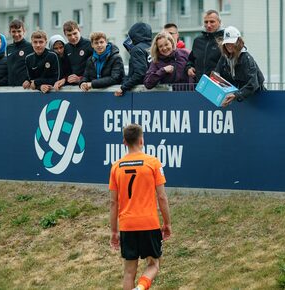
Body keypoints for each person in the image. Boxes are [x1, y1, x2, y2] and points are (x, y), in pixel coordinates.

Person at [109, 123, 171, 290]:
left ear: (124, 142)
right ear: (142, 140)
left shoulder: (116, 167)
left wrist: (114, 231)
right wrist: (167, 224)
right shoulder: (153, 163)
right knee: (154, 264)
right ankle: (141, 288)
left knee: (129, 272)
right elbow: (162, 197)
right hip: (149, 223)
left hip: (127, 225)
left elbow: (113, 202)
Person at [214, 26, 265, 107]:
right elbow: (216, 74)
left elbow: (253, 83)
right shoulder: (224, 57)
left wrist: (236, 95)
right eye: (227, 43)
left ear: (239, 42)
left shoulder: (246, 58)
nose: (229, 45)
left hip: (257, 97)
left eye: (232, 42)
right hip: (239, 97)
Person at [115, 22, 152, 97]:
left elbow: (140, 73)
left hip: (140, 93)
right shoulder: (153, 47)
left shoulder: (137, 49)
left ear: (134, 34)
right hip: (154, 89)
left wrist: (123, 87)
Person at [186, 10, 224, 82]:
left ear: (219, 22)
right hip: (199, 85)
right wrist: (189, 67)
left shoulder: (225, 40)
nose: (208, 25)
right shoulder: (197, 40)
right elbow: (191, 60)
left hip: (219, 86)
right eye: (206, 22)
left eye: (212, 21)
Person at [63, 20, 93, 85]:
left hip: (87, 85)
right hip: (72, 87)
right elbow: (66, 69)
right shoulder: (66, 47)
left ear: (79, 30)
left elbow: (95, 68)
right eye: (69, 35)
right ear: (65, 35)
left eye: (75, 33)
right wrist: (65, 79)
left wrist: (81, 79)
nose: (73, 37)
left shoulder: (90, 44)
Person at [6, 19, 34, 86]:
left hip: (25, 88)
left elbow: (34, 67)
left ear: (24, 31)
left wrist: (28, 80)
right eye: (13, 31)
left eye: (19, 31)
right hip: (11, 88)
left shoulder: (30, 47)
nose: (16, 34)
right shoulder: (9, 48)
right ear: (10, 32)